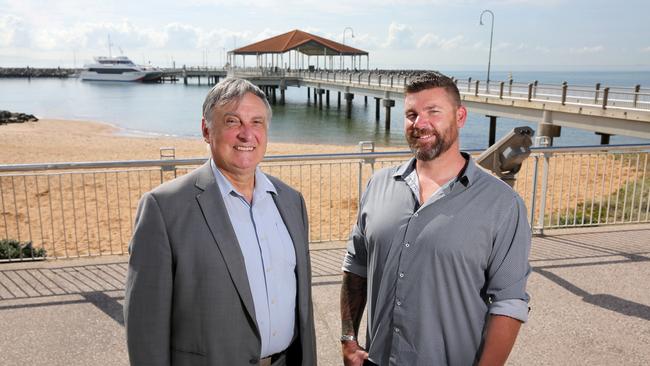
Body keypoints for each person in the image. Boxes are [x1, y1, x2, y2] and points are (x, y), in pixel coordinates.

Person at [340, 72, 531, 366]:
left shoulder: (503, 204)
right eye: (412, 114)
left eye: (433, 112)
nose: (420, 124)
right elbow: (356, 266)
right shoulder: (377, 185)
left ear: (460, 116)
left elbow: (509, 304)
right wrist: (349, 340)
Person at [124, 78, 316, 366]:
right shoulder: (164, 209)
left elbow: (302, 307)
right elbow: (145, 328)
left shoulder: (290, 201)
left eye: (257, 122)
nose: (247, 134)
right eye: (232, 121)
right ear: (206, 129)